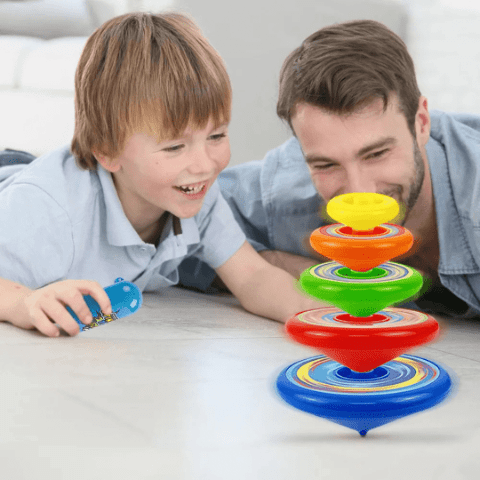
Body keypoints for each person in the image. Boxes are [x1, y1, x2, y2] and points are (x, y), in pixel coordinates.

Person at [0, 12, 327, 338]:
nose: (204, 165)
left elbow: (253, 277)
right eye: (174, 147)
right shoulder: (49, 210)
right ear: (107, 151)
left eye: (216, 136)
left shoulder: (197, 192)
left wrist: (324, 317)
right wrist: (23, 302)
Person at [178, 20, 480, 318]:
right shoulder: (286, 192)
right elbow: (170, 220)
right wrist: (271, 266)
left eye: (376, 154)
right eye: (326, 164)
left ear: (421, 123)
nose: (359, 190)